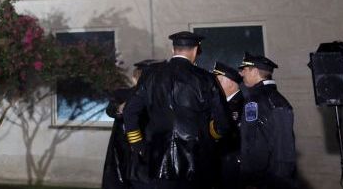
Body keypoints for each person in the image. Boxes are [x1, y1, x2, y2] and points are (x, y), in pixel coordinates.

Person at [122, 31, 232, 188]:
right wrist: (209, 136)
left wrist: (138, 144)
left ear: (173, 50)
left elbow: (129, 111)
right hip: (196, 161)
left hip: (157, 159)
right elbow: (223, 123)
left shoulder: (150, 75)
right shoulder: (206, 79)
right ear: (195, 50)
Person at [237, 53, 297, 189]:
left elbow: (252, 141)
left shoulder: (255, 100)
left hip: (262, 178)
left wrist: (249, 178)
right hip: (282, 175)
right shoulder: (279, 99)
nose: (241, 74)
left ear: (255, 72)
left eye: (245, 70)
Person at [102, 59, 161, 189]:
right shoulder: (122, 94)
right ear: (134, 78)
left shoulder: (158, 96)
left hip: (143, 147)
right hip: (123, 147)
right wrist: (119, 109)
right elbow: (111, 110)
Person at [212, 61, 245, 188]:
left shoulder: (240, 105)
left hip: (234, 164)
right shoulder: (222, 105)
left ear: (230, 83)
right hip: (221, 163)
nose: (214, 84)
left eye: (218, 80)